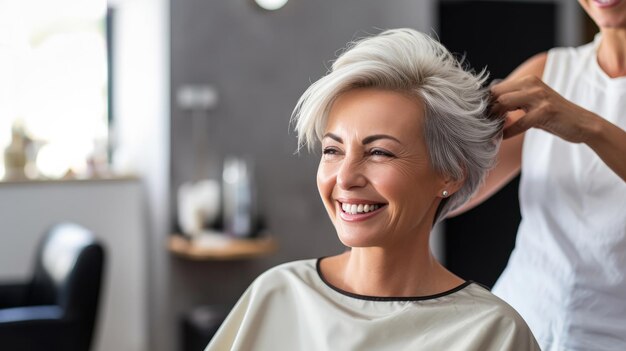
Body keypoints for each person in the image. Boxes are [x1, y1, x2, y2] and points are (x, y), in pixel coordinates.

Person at [205, 28, 539, 351]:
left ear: (449, 174)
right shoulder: (278, 294)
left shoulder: (492, 332)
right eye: (332, 151)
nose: (346, 178)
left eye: (379, 152)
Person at [451, 1, 626, 350]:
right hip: (516, 326)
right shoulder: (549, 71)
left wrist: (587, 126)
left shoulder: (552, 97)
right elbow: (457, 186)